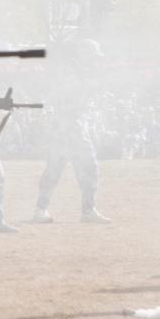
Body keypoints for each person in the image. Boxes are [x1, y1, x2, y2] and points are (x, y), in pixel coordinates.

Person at [33, 39, 110, 224]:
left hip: (71, 127)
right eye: (92, 57)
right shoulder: (71, 76)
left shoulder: (81, 75)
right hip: (67, 127)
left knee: (69, 168)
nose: (95, 61)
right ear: (83, 56)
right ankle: (46, 209)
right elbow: (57, 100)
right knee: (66, 168)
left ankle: (46, 209)